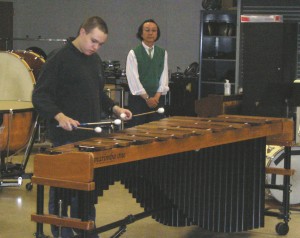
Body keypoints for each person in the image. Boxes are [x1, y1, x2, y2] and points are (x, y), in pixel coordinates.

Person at [32, 16, 132, 238]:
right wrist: (60, 116)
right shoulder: (59, 58)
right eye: (94, 41)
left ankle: (85, 228)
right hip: (64, 138)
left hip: (89, 138)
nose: (96, 47)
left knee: (86, 190)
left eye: (100, 44)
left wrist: (116, 109)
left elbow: (97, 95)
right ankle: (61, 230)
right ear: (82, 32)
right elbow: (40, 96)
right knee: (64, 190)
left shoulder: (94, 60)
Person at [126, 19, 169, 127]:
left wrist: (156, 97)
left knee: (157, 131)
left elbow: (164, 77)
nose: (150, 33)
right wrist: (147, 98)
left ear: (157, 34)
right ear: (141, 33)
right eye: (147, 30)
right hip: (138, 100)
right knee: (137, 131)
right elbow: (133, 79)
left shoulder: (163, 53)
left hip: (157, 99)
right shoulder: (133, 53)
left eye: (154, 30)